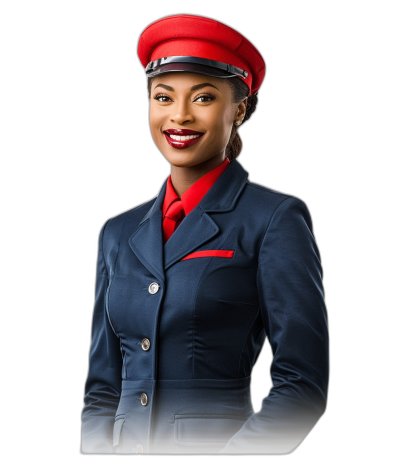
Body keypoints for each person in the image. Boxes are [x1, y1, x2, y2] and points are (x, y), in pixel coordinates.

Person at [81, 13, 330, 455]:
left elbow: (302, 385)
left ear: (239, 109)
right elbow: (102, 387)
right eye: (163, 97)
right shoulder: (117, 232)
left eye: (203, 97)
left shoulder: (275, 217)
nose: (179, 116)